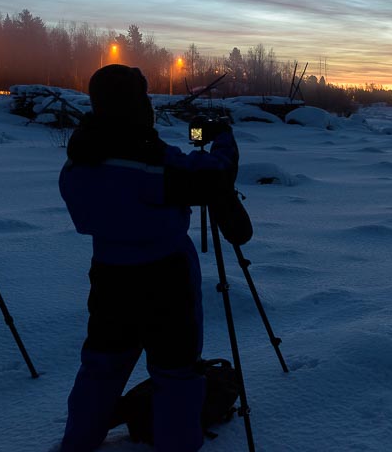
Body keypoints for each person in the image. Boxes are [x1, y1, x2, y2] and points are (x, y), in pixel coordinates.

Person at [58, 64, 249, 452]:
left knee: (102, 365)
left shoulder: (79, 160)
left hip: (109, 275)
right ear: (135, 106)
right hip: (166, 278)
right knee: (176, 372)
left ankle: (78, 442)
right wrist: (224, 136)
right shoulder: (152, 163)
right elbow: (216, 174)